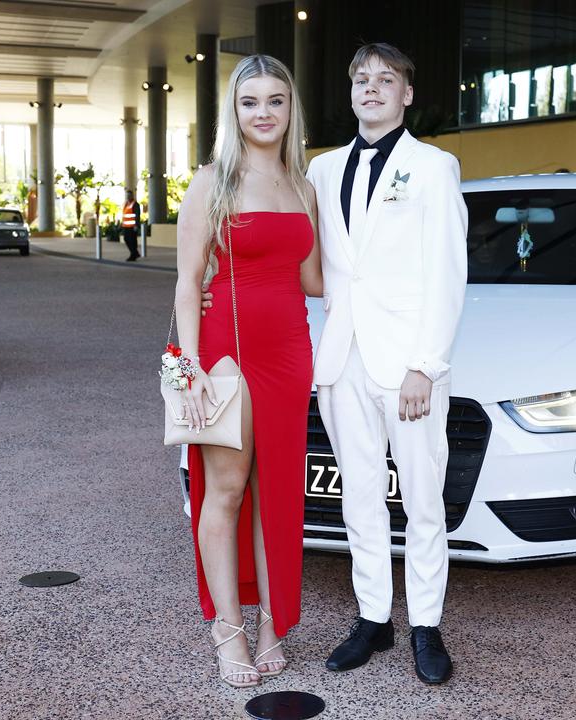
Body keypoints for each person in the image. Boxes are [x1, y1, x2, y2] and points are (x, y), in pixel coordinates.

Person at [307, 42, 467, 685]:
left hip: (407, 364)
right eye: (362, 79)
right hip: (341, 358)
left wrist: (425, 364)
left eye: (387, 79)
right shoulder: (321, 170)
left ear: (406, 94)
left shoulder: (434, 166)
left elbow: (447, 273)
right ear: (351, 93)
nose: (373, 88)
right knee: (360, 499)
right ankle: (373, 619)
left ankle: (426, 626)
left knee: (423, 499)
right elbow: (315, 265)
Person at [172, 54, 321, 689]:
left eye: (275, 100)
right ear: (234, 113)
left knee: (280, 495)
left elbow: (315, 279)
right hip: (225, 350)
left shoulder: (304, 185)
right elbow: (185, 283)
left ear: (292, 109)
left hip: (290, 351)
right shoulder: (212, 181)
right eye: (250, 101)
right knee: (226, 491)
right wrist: (194, 367)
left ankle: (270, 628)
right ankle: (228, 628)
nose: (264, 113)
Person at [121, 189, 141, 261]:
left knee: (133, 241)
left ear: (132, 196)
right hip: (126, 226)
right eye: (127, 195)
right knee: (126, 239)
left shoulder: (135, 204)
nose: (128, 196)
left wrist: (136, 225)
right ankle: (135, 253)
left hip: (132, 227)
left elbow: (137, 215)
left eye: (129, 195)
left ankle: (133, 255)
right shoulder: (126, 204)